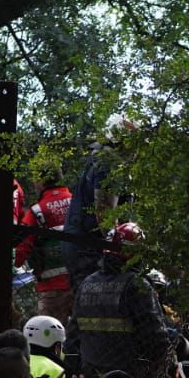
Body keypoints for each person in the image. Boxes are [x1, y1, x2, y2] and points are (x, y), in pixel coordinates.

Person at [66, 222, 173, 378]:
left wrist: (74, 368)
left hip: (90, 373)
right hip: (128, 376)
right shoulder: (137, 285)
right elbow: (155, 336)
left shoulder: (87, 283)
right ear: (134, 253)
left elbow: (73, 334)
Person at [63, 116, 134, 287]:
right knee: (97, 302)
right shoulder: (109, 164)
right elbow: (105, 215)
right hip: (89, 251)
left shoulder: (101, 160)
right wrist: (120, 252)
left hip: (82, 246)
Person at [15, 180, 74, 321]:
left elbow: (20, 252)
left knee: (48, 334)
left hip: (51, 288)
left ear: (40, 183)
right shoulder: (78, 203)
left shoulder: (36, 211)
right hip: (81, 283)